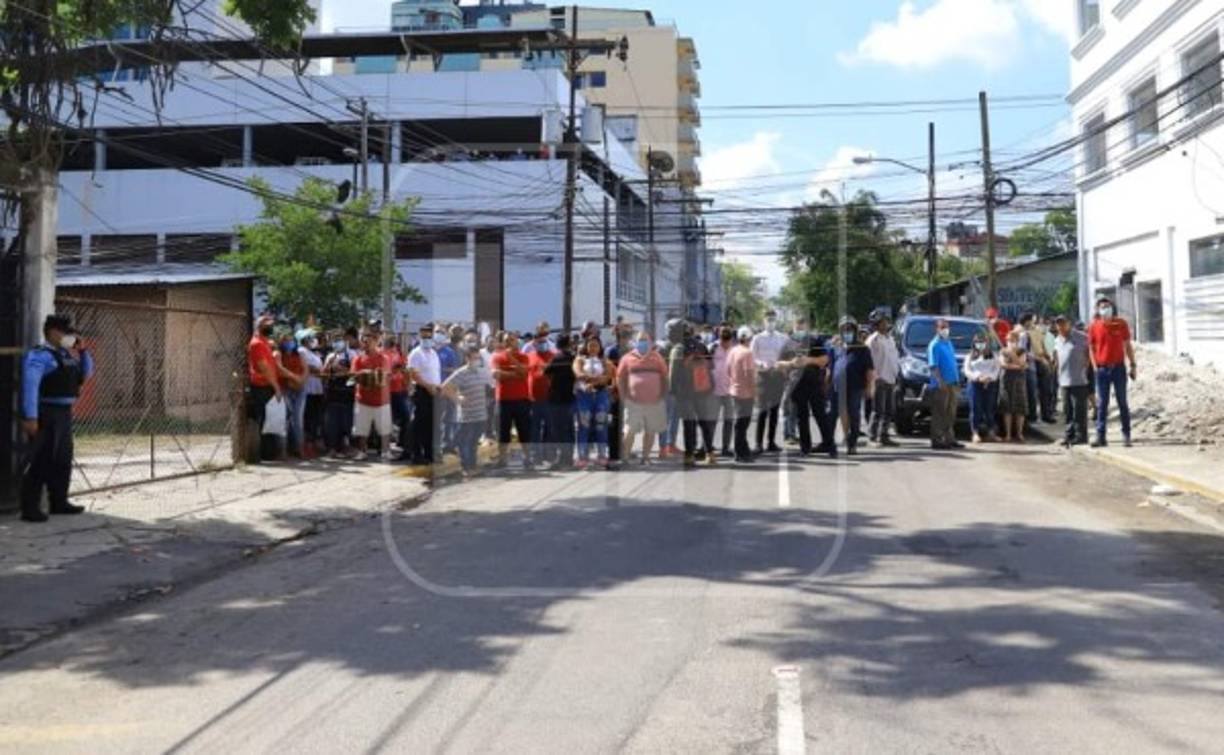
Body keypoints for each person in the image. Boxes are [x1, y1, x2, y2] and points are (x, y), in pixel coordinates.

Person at [19, 314, 94, 522]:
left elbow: (86, 373)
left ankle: (59, 501)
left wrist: (83, 351)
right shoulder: (39, 355)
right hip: (46, 412)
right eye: (67, 333)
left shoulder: (67, 355)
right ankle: (30, 507)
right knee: (40, 461)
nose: (71, 337)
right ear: (53, 332)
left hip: (64, 413)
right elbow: (30, 387)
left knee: (62, 459)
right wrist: (31, 416)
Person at [1088, 296, 1137, 448]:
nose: (1105, 309)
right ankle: (1101, 436)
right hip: (1102, 369)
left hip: (1119, 368)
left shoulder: (1121, 324)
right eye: (1102, 307)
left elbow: (1127, 345)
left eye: (1107, 306)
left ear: (1112, 308)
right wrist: (1095, 367)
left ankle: (1126, 435)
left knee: (1122, 402)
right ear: (1098, 309)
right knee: (1102, 404)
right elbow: (1091, 348)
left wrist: (1133, 365)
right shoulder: (1094, 326)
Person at [618, 330, 669, 465]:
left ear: (650, 342)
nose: (643, 343)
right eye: (640, 340)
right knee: (629, 430)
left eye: (645, 340)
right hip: (633, 402)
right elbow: (620, 377)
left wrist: (662, 394)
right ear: (636, 342)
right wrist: (623, 396)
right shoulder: (627, 358)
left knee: (650, 430)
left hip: (654, 402)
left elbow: (665, 376)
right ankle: (625, 457)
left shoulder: (657, 357)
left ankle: (645, 457)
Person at [441, 347, 490, 476]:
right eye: (474, 358)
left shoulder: (482, 372)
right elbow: (445, 388)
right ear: (467, 359)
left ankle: (472, 466)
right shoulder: (461, 373)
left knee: (474, 442)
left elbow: (489, 385)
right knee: (465, 442)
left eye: (478, 358)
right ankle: (466, 467)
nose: (477, 361)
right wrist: (457, 398)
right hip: (467, 415)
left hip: (480, 413)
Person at [786, 330, 836, 458]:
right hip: (797, 384)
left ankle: (830, 445)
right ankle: (805, 448)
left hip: (814, 382)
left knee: (820, 415)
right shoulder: (789, 341)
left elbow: (824, 360)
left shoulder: (815, 340)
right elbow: (779, 362)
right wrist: (791, 363)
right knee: (802, 417)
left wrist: (808, 360)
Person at [833, 317, 876, 456]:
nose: (847, 332)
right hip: (839, 387)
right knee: (842, 413)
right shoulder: (838, 347)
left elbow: (869, 370)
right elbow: (833, 366)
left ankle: (853, 443)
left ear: (855, 330)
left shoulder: (863, 349)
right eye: (844, 330)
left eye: (850, 329)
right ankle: (846, 437)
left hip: (856, 387)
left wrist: (869, 387)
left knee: (854, 414)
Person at [491, 331, 534, 470]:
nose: (509, 342)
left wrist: (511, 359)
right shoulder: (497, 357)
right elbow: (496, 374)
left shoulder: (524, 356)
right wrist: (515, 374)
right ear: (503, 343)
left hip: (522, 400)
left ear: (517, 341)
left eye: (512, 340)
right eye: (506, 340)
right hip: (503, 400)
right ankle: (502, 460)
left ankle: (528, 458)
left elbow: (524, 374)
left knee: (525, 431)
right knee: (503, 432)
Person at [751, 310, 790, 454]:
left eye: (773, 319)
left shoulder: (783, 338)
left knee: (774, 410)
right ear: (764, 321)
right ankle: (758, 443)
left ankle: (771, 442)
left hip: (777, 376)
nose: (771, 322)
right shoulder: (757, 338)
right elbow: (752, 357)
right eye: (768, 319)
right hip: (763, 376)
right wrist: (760, 363)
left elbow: (787, 355)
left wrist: (784, 366)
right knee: (762, 410)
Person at [351, 330, 394, 460]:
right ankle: (362, 451)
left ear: (376, 342)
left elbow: (388, 375)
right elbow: (353, 375)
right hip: (363, 399)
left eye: (369, 341)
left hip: (382, 401)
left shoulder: (384, 358)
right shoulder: (358, 358)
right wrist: (362, 373)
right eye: (364, 342)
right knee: (361, 428)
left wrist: (377, 375)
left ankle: (386, 451)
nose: (366, 344)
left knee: (385, 428)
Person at [246, 314, 283, 462]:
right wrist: (276, 387)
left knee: (272, 419)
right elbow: (264, 368)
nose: (271, 328)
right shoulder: (256, 344)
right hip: (262, 387)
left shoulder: (265, 342)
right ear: (260, 326)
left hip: (268, 386)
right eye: (268, 325)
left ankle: (272, 453)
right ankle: (267, 454)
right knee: (266, 421)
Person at [574, 336, 614, 469]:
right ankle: (582, 457)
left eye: (596, 345)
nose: (593, 348)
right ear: (586, 346)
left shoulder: (605, 361)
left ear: (600, 347)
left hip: (601, 395)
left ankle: (602, 455)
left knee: (601, 424)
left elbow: (607, 377)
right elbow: (578, 373)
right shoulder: (580, 359)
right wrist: (594, 379)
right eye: (590, 345)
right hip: (584, 395)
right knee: (584, 424)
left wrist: (592, 382)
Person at [407, 324, 442, 466]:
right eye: (424, 336)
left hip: (434, 392)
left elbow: (435, 373)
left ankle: (429, 454)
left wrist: (437, 387)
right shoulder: (416, 353)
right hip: (422, 391)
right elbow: (413, 374)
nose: (427, 339)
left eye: (429, 336)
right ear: (420, 336)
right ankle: (416, 455)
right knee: (419, 425)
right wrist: (428, 386)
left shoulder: (433, 353)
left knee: (431, 425)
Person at [1054, 315, 1092, 448]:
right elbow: (1057, 358)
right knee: (1067, 411)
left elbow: (1090, 353)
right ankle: (1069, 435)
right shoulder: (1057, 340)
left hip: (1079, 379)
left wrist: (1086, 367)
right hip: (1064, 380)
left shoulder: (1081, 337)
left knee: (1079, 411)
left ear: (1069, 324)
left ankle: (1081, 436)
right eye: (1058, 324)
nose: (1060, 327)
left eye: (1063, 323)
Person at [926, 318, 961, 450]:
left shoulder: (948, 342)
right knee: (939, 413)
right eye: (942, 327)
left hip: (953, 383)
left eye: (946, 327)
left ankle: (949, 438)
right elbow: (933, 366)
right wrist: (940, 382)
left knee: (950, 413)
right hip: (941, 384)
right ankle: (937, 439)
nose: (945, 330)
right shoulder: (934, 345)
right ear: (937, 329)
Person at [543, 334, 577, 470]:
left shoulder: (556, 358)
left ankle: (563, 458)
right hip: (569, 397)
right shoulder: (574, 358)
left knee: (558, 429)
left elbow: (546, 372)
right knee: (569, 429)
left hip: (555, 398)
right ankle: (568, 458)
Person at [865, 314, 900, 447]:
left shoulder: (890, 338)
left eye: (886, 322)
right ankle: (872, 437)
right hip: (879, 379)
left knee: (889, 411)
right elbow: (868, 361)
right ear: (876, 325)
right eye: (882, 323)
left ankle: (884, 435)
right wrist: (874, 378)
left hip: (891, 378)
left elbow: (894, 357)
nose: (885, 325)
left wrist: (896, 374)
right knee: (878, 410)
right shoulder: (873, 340)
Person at [726, 326, 759, 463]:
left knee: (740, 423)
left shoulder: (733, 350)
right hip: (745, 393)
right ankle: (740, 452)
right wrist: (754, 392)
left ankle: (743, 450)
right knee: (742, 424)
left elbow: (728, 370)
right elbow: (749, 374)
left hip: (734, 390)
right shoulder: (747, 353)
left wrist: (735, 381)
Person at [321, 332, 356, 459]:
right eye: (335, 340)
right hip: (332, 394)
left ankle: (349, 448)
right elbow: (323, 374)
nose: (337, 342)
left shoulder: (352, 354)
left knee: (347, 422)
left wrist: (342, 370)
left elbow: (355, 373)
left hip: (347, 394)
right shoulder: (330, 356)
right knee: (331, 424)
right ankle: (332, 449)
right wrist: (328, 365)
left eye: (339, 339)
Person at [526, 332, 557, 466]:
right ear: (534, 343)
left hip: (549, 398)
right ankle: (536, 456)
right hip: (533, 399)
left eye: (544, 341)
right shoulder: (529, 356)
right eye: (539, 342)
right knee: (534, 429)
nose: (541, 344)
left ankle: (549, 455)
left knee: (550, 428)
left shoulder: (554, 356)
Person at [965, 333, 1001, 444]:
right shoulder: (970, 356)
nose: (980, 345)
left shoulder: (993, 355)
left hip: (990, 384)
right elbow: (967, 370)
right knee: (976, 409)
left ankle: (991, 432)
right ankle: (975, 433)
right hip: (975, 384)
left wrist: (989, 378)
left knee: (990, 409)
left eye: (983, 342)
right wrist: (978, 377)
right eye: (978, 342)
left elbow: (997, 369)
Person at [277, 329, 309, 458]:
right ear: (281, 342)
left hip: (300, 389)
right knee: (285, 420)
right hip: (286, 389)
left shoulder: (299, 354)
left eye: (291, 340)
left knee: (298, 419)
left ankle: (299, 448)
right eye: (286, 340)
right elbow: (279, 369)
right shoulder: (279, 354)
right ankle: (283, 450)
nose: (289, 343)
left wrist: (301, 380)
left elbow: (306, 369)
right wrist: (295, 377)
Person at [381, 334, 411, 460]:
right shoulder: (382, 354)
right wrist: (392, 370)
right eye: (390, 340)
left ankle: (402, 442)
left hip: (400, 390)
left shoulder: (399, 353)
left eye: (393, 340)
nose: (392, 342)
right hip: (387, 391)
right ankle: (384, 447)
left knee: (405, 417)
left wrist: (406, 385)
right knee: (387, 420)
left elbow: (405, 369)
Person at [298, 329, 325, 458]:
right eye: (310, 338)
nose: (313, 340)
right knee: (307, 418)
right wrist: (318, 371)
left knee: (315, 419)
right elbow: (307, 367)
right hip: (307, 389)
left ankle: (312, 444)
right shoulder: (301, 351)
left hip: (317, 390)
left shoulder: (314, 353)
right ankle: (305, 445)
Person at [711, 326, 737, 457]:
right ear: (719, 338)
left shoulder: (735, 349)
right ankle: (707, 447)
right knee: (711, 421)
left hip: (730, 391)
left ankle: (725, 448)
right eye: (723, 339)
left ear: (731, 339)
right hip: (713, 391)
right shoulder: (713, 348)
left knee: (728, 421)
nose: (725, 343)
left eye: (727, 340)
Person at [1000, 330, 1030, 443]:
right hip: (1007, 381)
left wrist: (1013, 355)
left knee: (1020, 408)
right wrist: (1018, 365)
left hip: (1019, 382)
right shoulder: (1003, 351)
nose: (1010, 342)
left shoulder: (1022, 351)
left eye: (1012, 340)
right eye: (1008, 340)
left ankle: (1019, 433)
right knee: (1007, 408)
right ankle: (1008, 434)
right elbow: (1003, 364)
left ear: (1017, 341)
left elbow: (1023, 363)